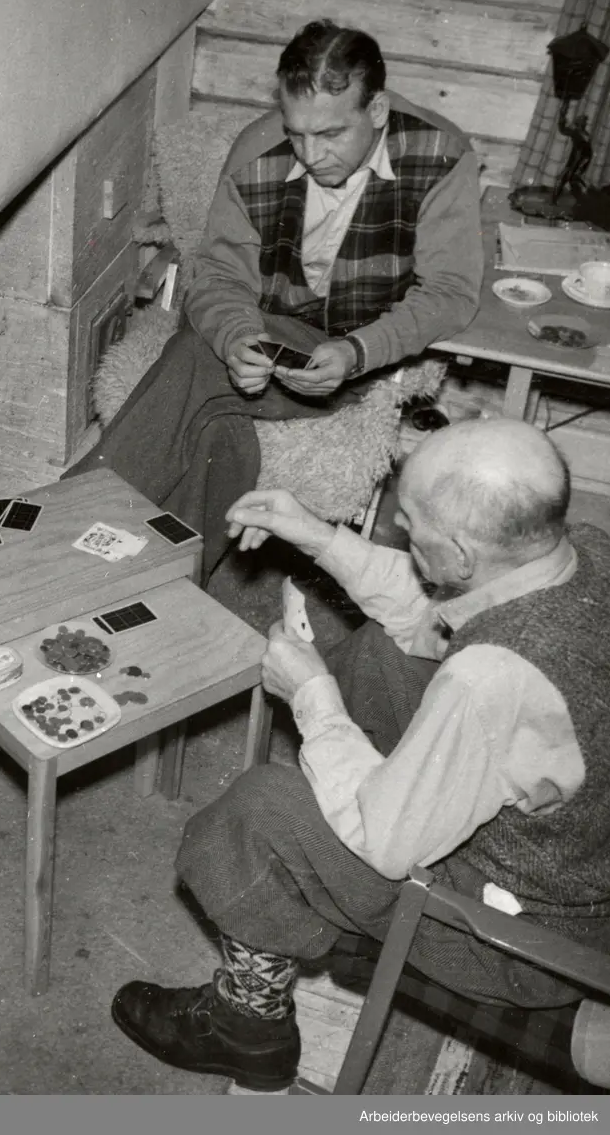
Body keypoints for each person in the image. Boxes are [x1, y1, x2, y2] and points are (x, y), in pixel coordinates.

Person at [110, 418, 610, 1090]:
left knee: (258, 812)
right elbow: (433, 620)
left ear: (460, 554)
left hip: (525, 938)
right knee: (381, 652)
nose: (399, 532)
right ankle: (342, 808)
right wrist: (318, 536)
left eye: (409, 524)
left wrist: (311, 697)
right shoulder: (579, 551)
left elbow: (387, 843)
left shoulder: (490, 680)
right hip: (573, 847)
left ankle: (245, 1023)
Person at [66, 19, 484, 583]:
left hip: (365, 352)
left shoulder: (439, 155)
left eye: (332, 134)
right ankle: (159, 589)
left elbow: (451, 293)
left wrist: (359, 352)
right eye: (297, 133)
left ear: (378, 109)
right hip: (270, 330)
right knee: (218, 425)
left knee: (193, 359)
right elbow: (215, 274)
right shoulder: (257, 152)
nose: (311, 154)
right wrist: (236, 337)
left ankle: (59, 539)